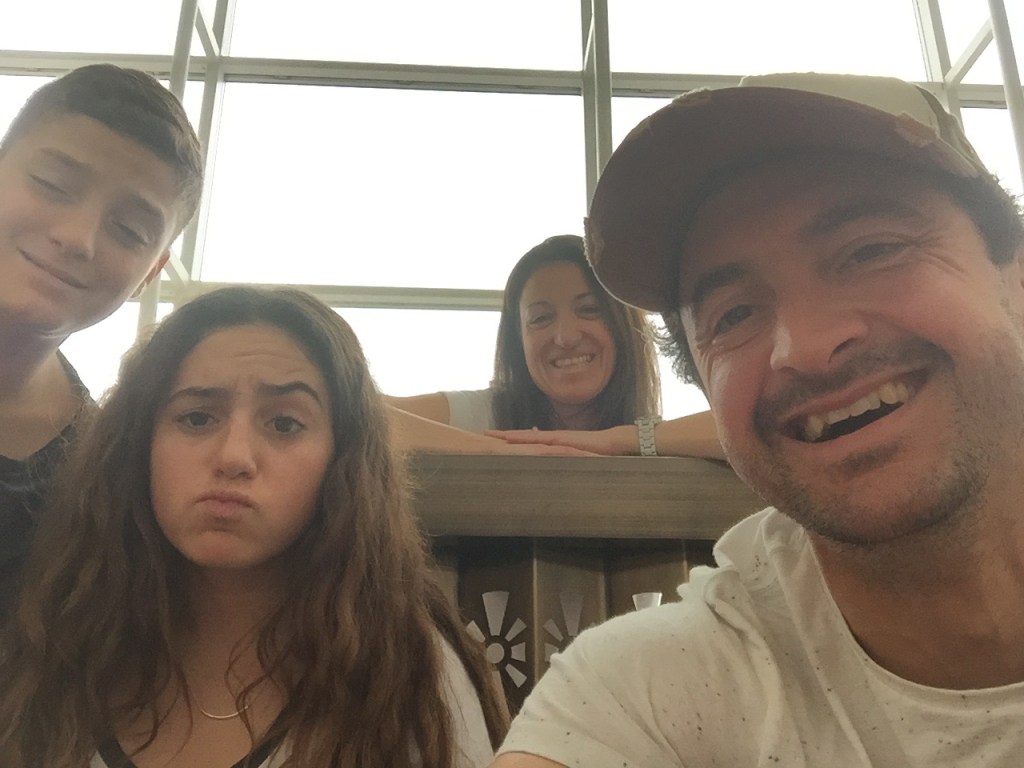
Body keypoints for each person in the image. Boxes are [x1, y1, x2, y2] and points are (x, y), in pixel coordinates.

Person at [490, 72, 1024, 767]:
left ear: (1015, 276)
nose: (804, 346)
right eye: (735, 314)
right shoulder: (651, 694)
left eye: (871, 251)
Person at [0, 286, 508, 768]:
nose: (234, 457)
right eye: (197, 418)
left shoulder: (409, 673)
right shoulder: (62, 639)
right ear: (138, 445)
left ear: (341, 460)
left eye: (284, 424)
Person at [0, 64, 204, 622]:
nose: (78, 238)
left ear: (150, 273)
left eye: (129, 231)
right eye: (52, 185)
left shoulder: (109, 479)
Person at [388, 234, 723, 459]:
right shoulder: (481, 414)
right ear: (518, 342)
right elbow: (363, 414)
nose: (565, 337)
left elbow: (744, 431)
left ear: (623, 327)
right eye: (540, 318)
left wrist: (615, 441)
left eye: (589, 310)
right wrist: (499, 450)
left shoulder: (656, 436)